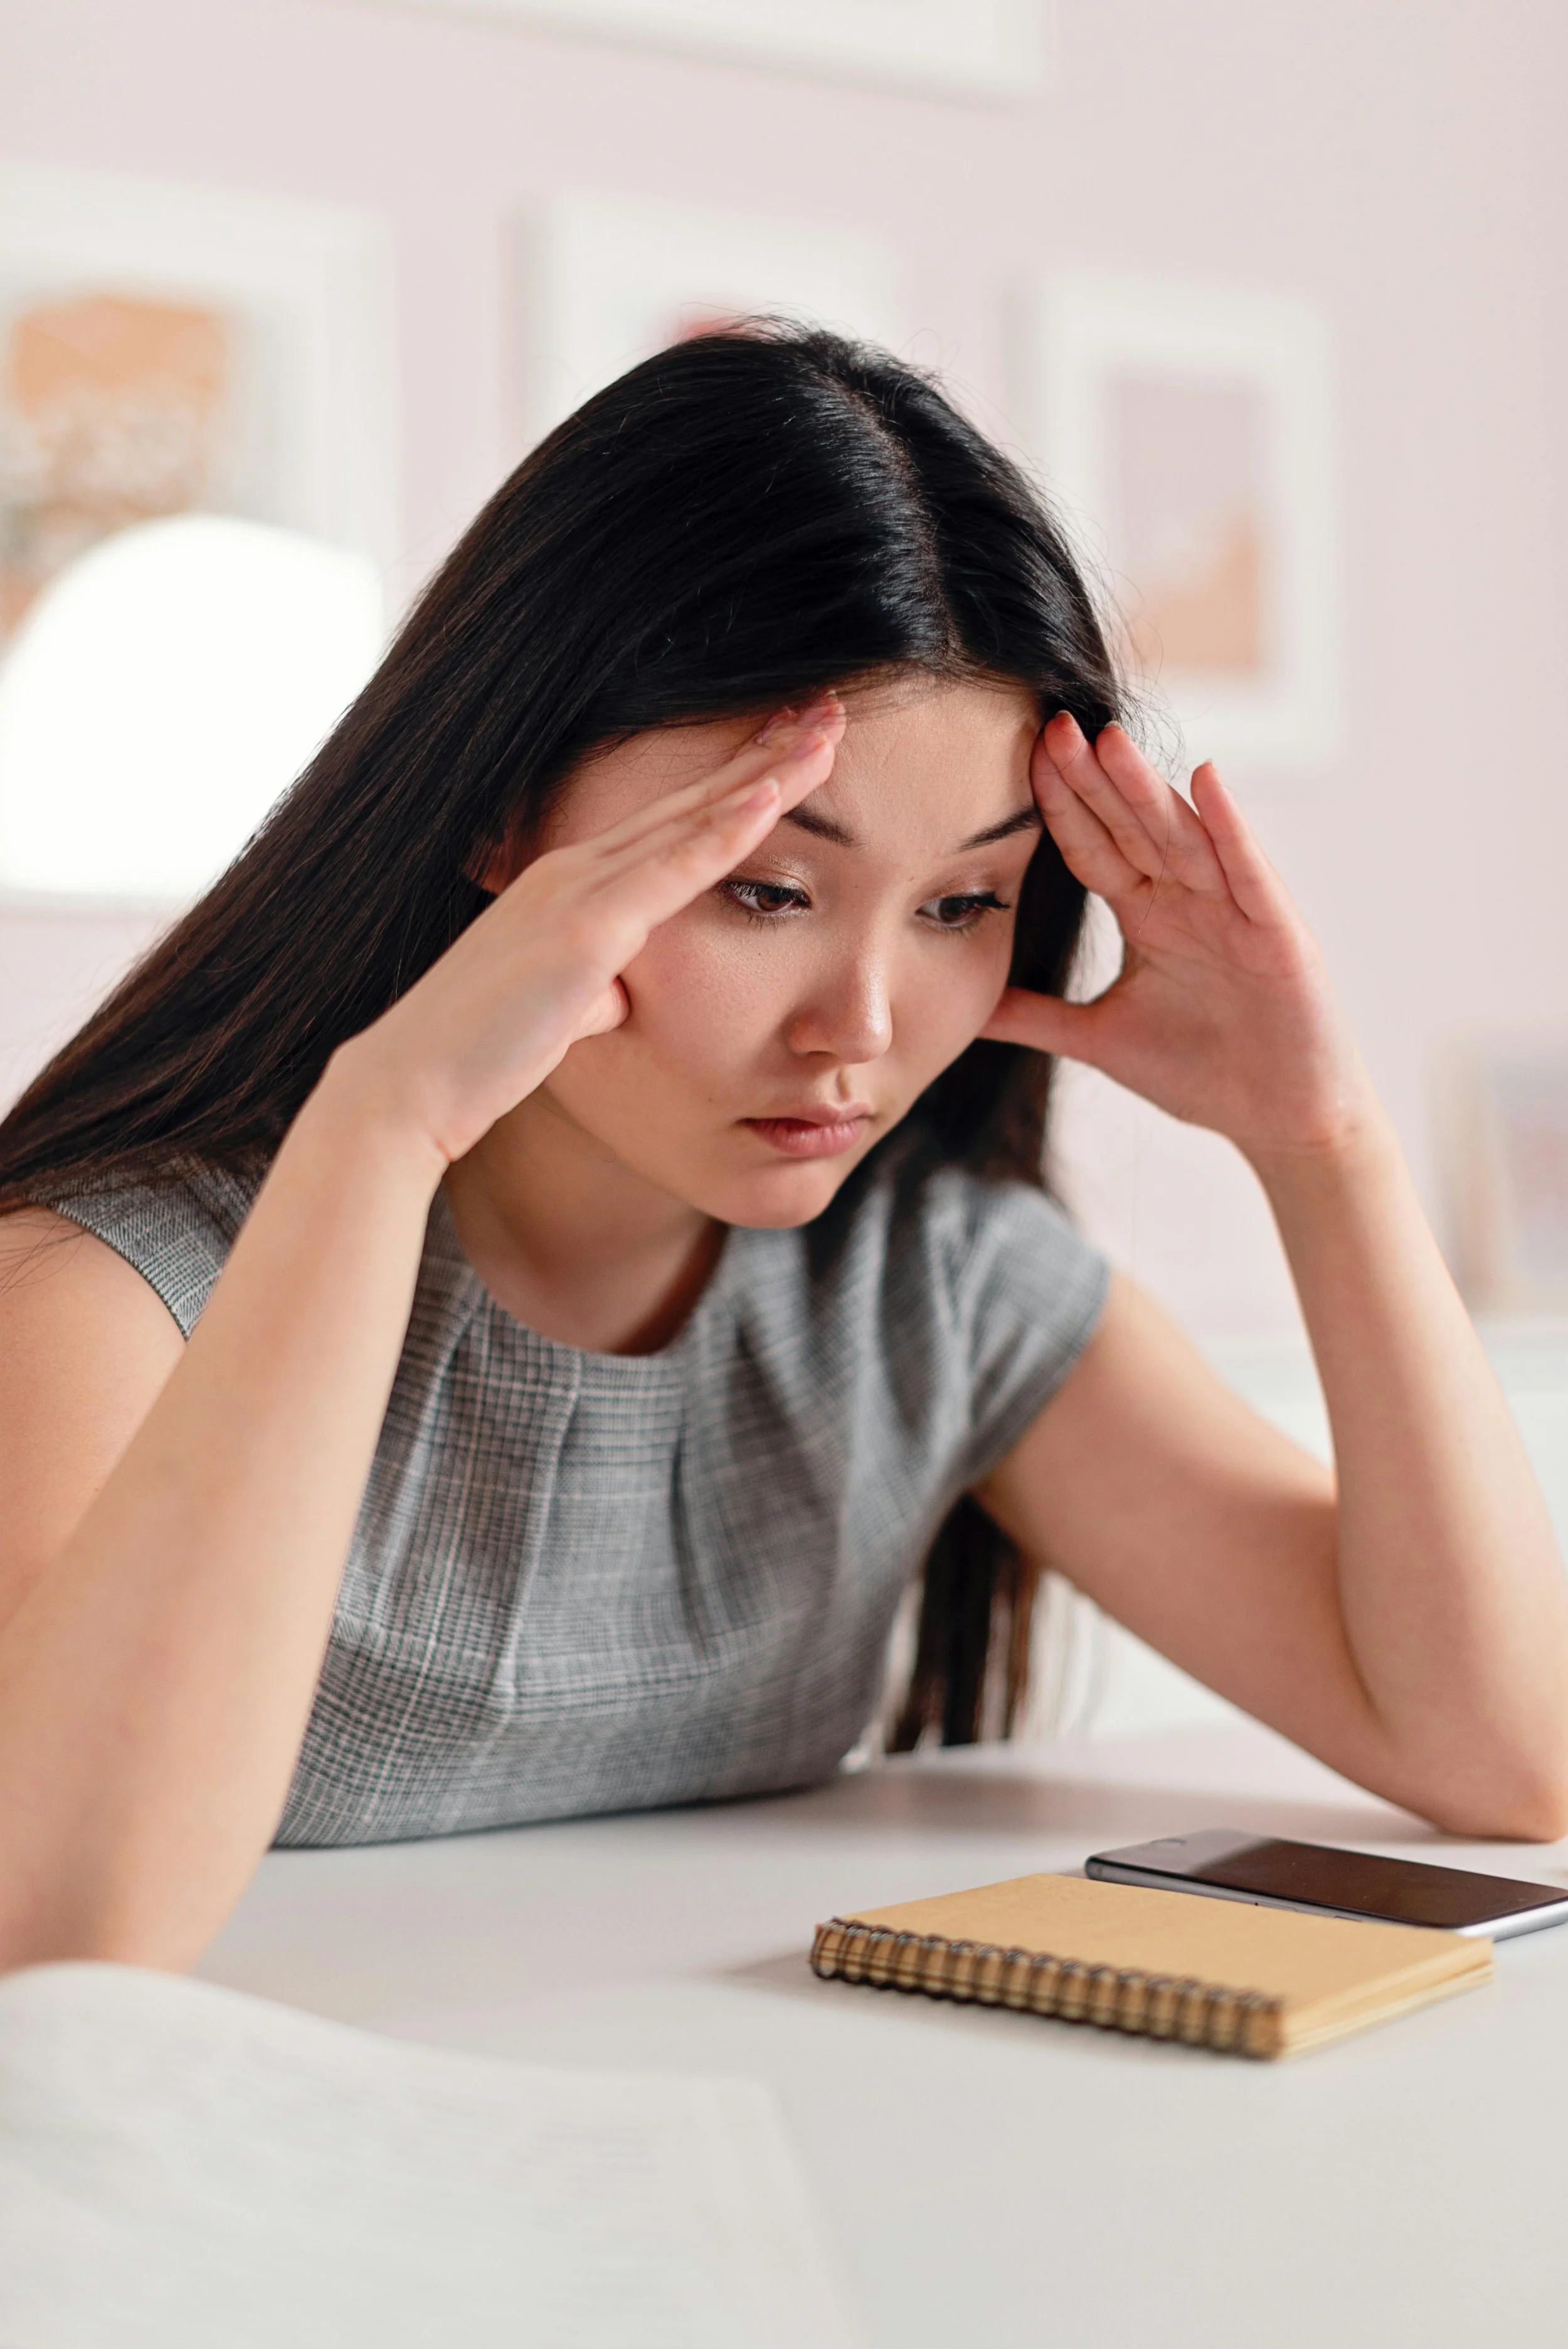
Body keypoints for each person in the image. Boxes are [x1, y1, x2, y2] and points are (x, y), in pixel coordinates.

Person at [0, 326, 1563, 1977]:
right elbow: (61, 1926)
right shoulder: (99, 1296)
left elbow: (1502, 1758)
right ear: (491, 815)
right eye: (764, 887)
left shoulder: (924, 1292)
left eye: (963, 903)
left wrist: (1320, 1143)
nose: (864, 1024)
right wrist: (380, 1129)